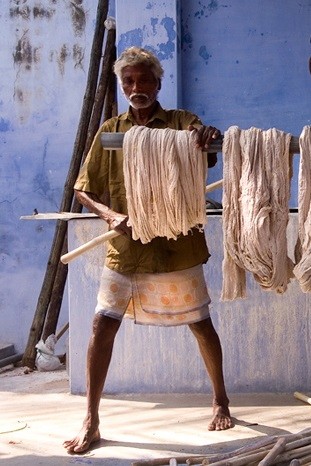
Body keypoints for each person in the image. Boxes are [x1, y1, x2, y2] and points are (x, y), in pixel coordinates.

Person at [64, 46, 233, 454]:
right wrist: (110, 216)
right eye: (129, 81)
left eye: (144, 80)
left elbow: (207, 145)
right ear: (123, 86)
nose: (136, 87)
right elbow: (83, 190)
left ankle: (221, 400)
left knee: (200, 323)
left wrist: (207, 137)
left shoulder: (181, 122)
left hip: (176, 243)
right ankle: (91, 418)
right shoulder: (111, 130)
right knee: (102, 325)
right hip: (127, 245)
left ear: (158, 83)